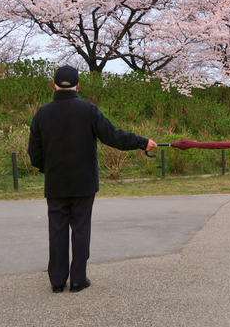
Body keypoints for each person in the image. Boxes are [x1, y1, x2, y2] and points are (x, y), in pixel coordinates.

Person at [28, 65, 158, 293]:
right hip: (84, 182)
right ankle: (78, 279)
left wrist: (47, 169)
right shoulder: (88, 109)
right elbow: (113, 136)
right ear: (78, 86)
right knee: (80, 228)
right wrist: (141, 141)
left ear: (53, 85)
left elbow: (35, 154)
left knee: (57, 229)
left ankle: (57, 281)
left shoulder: (42, 113)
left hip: (55, 183)